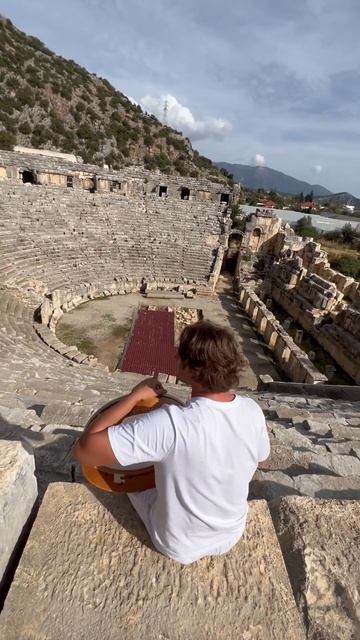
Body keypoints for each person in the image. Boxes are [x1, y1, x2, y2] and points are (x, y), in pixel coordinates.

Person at [73, 320, 270, 565]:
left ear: (188, 368)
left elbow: (83, 451)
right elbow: (260, 458)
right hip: (230, 533)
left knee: (135, 479)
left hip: (180, 544)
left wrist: (135, 396)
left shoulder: (171, 423)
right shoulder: (252, 411)